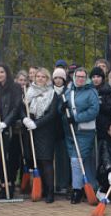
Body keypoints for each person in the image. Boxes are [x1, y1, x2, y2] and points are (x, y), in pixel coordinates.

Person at [59, 67, 99, 204]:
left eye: (83, 77)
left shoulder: (91, 92)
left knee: (76, 160)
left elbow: (94, 110)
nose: (80, 79)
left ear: (86, 78)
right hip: (70, 131)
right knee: (74, 159)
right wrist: (61, 108)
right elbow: (62, 110)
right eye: (78, 76)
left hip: (84, 131)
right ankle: (80, 187)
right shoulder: (68, 91)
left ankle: (77, 190)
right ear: (74, 77)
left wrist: (76, 118)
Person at [23, 67, 60, 203]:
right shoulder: (28, 92)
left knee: (46, 161)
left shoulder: (52, 93)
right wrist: (25, 119)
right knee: (36, 161)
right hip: (31, 130)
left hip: (45, 131)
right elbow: (22, 108)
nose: (40, 79)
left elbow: (52, 114)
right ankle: (42, 189)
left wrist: (37, 124)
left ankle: (50, 192)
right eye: (38, 76)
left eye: (43, 77)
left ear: (47, 79)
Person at [0, 63, 23, 198]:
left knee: (8, 157)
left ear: (7, 73)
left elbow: (16, 107)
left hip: (10, 128)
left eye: (2, 72)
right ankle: (3, 183)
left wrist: (5, 123)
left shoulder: (15, 87)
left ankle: (10, 184)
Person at [52, 67, 71, 192]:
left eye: (60, 78)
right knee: (53, 157)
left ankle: (63, 183)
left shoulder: (67, 92)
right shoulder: (50, 91)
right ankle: (54, 183)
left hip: (64, 129)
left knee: (63, 157)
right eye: (56, 78)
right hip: (51, 127)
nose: (58, 80)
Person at [90, 66, 111, 143]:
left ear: (102, 78)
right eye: (93, 77)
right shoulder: (88, 90)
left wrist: (99, 103)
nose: (96, 79)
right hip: (90, 125)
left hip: (104, 126)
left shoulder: (107, 90)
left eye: (98, 77)